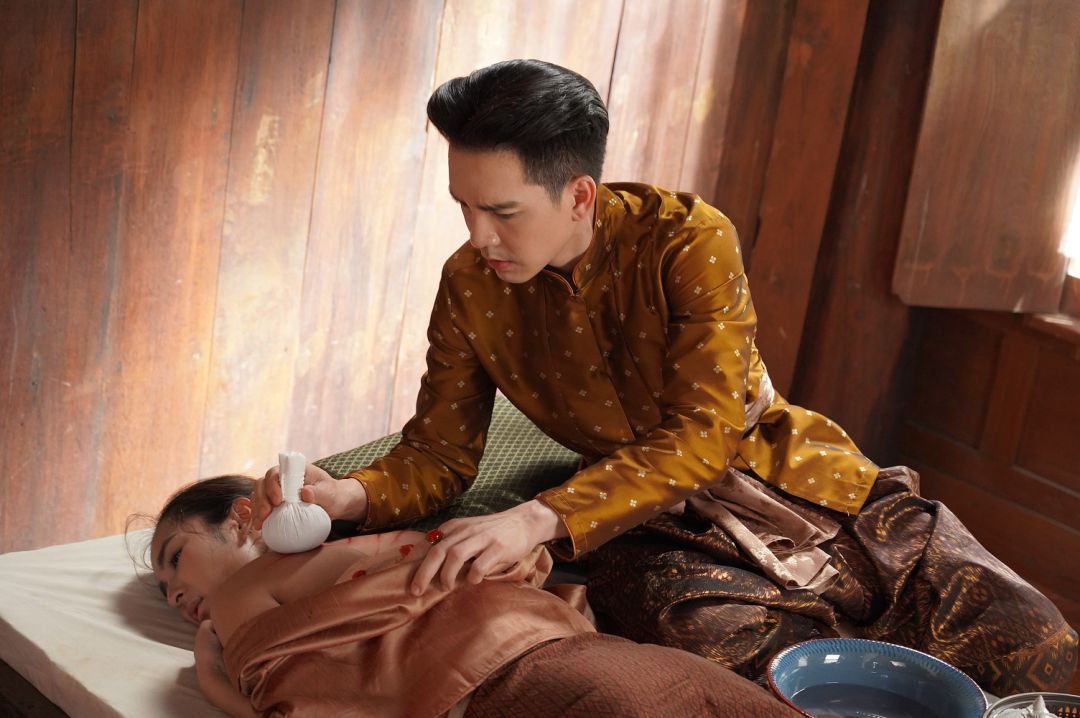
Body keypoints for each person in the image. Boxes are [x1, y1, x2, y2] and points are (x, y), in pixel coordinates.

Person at [250, 59, 1077, 695]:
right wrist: (348, 496)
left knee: (1036, 639)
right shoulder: (470, 285)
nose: (478, 235)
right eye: (464, 206)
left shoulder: (686, 240)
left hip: (792, 478)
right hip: (642, 526)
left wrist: (534, 518)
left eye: (502, 211)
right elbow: (439, 453)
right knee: (752, 672)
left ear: (580, 195)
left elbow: (705, 435)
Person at [148, 475, 802, 718]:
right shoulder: (245, 609)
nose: (174, 593)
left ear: (241, 516)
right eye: (164, 590)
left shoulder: (244, 594)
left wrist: (211, 678)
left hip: (534, 676)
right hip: (581, 665)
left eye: (174, 558)